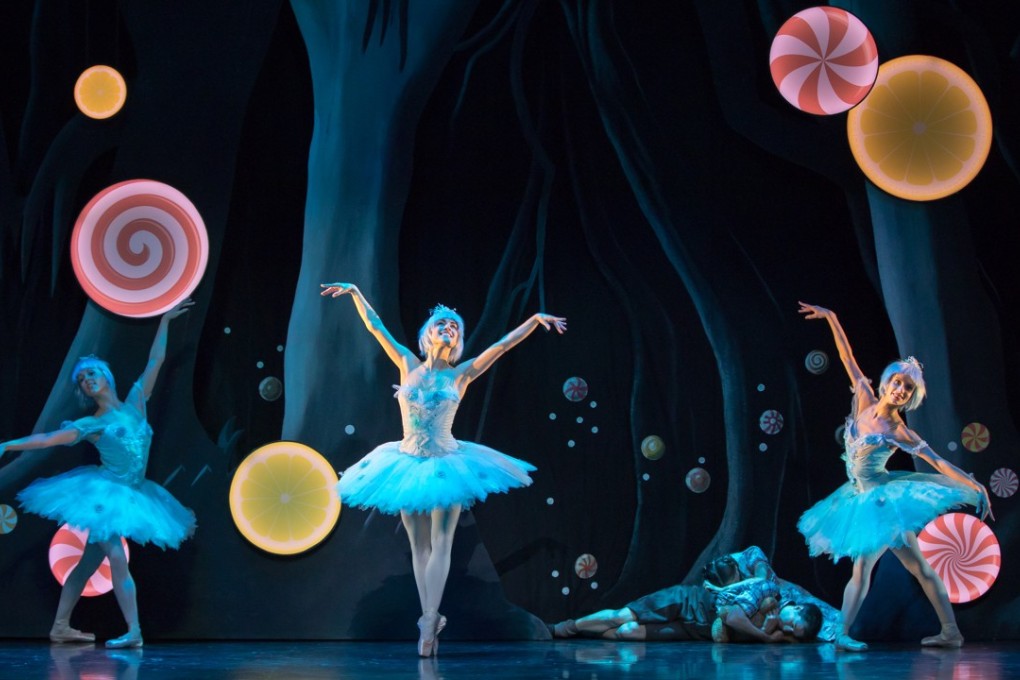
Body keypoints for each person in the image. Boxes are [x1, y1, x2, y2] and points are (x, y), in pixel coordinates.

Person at [321, 282, 566, 657]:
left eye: (455, 327)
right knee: (418, 544)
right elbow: (375, 326)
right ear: (428, 333)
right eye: (443, 324)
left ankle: (430, 620)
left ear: (458, 339)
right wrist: (356, 292)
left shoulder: (461, 374)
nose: (449, 329)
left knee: (442, 541)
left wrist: (533, 320)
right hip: (405, 462)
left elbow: (501, 347)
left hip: (447, 462)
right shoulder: (406, 362)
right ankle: (428, 617)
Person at [796, 302, 993, 652]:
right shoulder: (863, 398)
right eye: (897, 382)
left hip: (880, 502)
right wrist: (833, 317)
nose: (899, 390)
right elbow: (846, 355)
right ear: (887, 382)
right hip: (858, 496)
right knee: (918, 566)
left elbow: (937, 463)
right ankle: (951, 631)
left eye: (907, 389)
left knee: (863, 568)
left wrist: (973, 484)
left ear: (909, 398)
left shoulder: (898, 430)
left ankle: (842, 633)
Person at [0, 300, 197, 649]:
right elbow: (48, 438)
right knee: (117, 557)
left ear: (106, 375)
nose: (88, 380)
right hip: (105, 495)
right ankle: (134, 631)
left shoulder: (137, 402)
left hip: (134, 492)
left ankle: (60, 626)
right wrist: (9, 445)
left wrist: (164, 322)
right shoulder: (92, 423)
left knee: (89, 562)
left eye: (92, 373)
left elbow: (156, 361)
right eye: (82, 380)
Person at [550, 551, 823, 643]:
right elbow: (735, 616)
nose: (788, 629)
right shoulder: (769, 591)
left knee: (627, 632)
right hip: (688, 602)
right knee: (619, 616)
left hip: (694, 629)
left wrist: (777, 633)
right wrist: (765, 637)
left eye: (793, 632)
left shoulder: (780, 628)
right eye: (792, 623)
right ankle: (567, 627)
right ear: (795, 607)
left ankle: (584, 633)